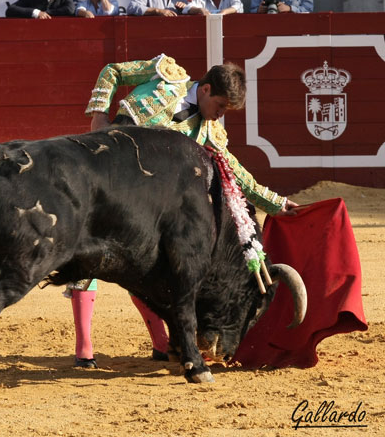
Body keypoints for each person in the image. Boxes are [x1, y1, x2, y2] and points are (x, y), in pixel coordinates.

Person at [70, 54, 299, 368]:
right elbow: (112, 71)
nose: (219, 117)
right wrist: (99, 114)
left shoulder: (208, 133)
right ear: (204, 90)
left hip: (140, 200)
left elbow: (236, 173)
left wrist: (276, 202)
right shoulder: (165, 74)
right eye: (219, 107)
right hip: (102, 170)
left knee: (143, 266)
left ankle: (161, 344)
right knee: (87, 256)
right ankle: (84, 349)